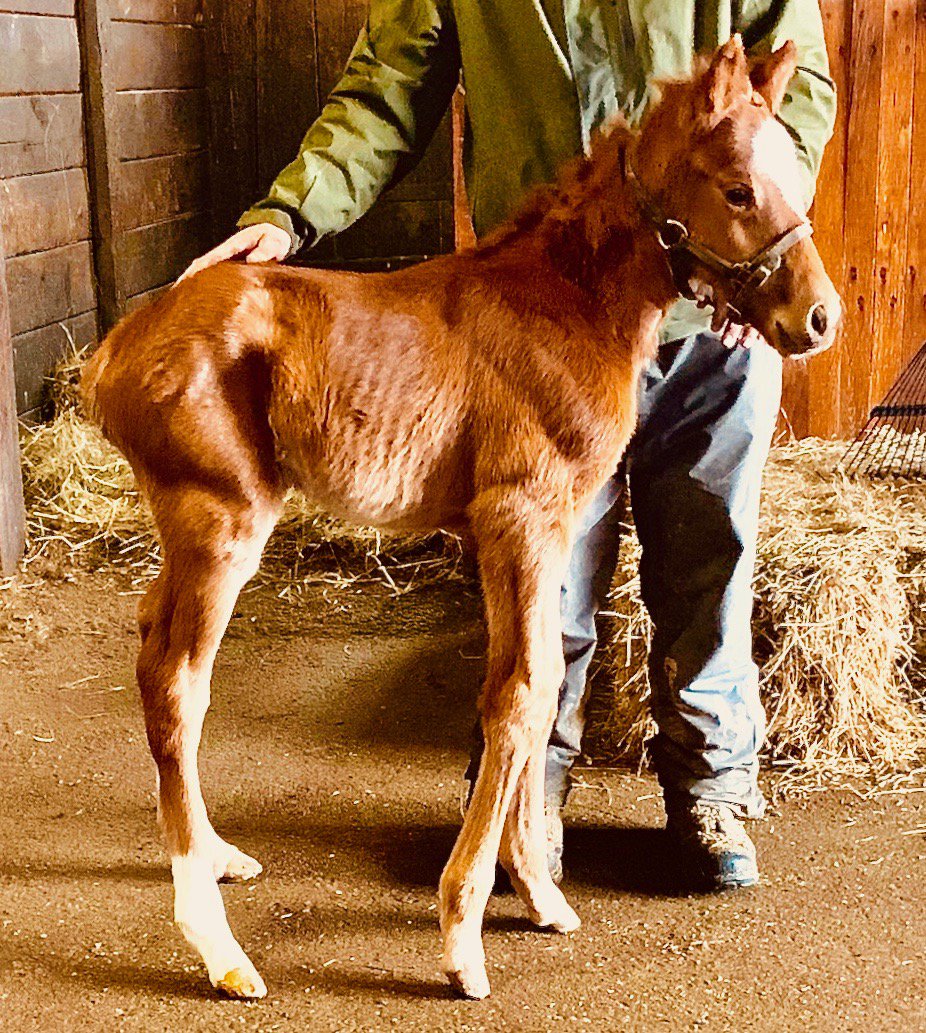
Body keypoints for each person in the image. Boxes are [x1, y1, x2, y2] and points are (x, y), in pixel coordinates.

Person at [184, 1, 836, 890]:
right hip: (550, 304)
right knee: (543, 565)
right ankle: (530, 782)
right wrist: (293, 215)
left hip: (721, 313)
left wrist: (763, 238)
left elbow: (803, 91)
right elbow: (391, 82)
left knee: (710, 546)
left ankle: (710, 782)